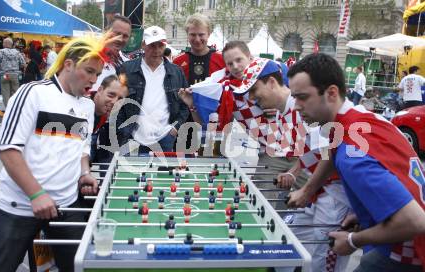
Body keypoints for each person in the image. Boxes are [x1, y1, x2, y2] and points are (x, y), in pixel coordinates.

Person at [287, 53, 425, 271]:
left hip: (409, 251)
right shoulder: (354, 117)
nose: (295, 106)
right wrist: (308, 190)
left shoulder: (353, 155)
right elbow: (333, 152)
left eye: (302, 97)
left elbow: (415, 222)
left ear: (331, 93)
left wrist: (352, 241)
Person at [0, 35, 105, 271]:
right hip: (19, 205)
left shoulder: (88, 106)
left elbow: (81, 148)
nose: (93, 80)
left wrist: (84, 173)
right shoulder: (32, 92)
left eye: (97, 75)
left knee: (78, 267)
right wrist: (36, 194)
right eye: (89, 71)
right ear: (68, 64)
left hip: (66, 206)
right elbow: (8, 149)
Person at [234, 57, 351, 272]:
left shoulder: (307, 108)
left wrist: (305, 188)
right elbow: (315, 148)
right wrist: (297, 173)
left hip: (334, 193)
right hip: (320, 191)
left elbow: (328, 151)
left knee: (322, 259)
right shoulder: (286, 109)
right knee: (285, 237)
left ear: (271, 82)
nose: (251, 98)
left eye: (254, 90)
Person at [178, 41, 307, 200]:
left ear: (250, 57)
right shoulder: (227, 91)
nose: (236, 66)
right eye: (230, 63)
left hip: (304, 152)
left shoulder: (274, 73)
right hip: (270, 155)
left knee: (319, 200)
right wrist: (193, 104)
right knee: (262, 205)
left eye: (239, 60)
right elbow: (211, 126)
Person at [117, 25, 189, 154]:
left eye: (160, 45)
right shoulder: (126, 69)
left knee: (161, 173)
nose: (156, 50)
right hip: (132, 137)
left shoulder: (176, 72)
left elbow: (185, 104)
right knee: (130, 173)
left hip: (165, 137)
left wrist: (175, 128)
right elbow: (117, 101)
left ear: (165, 45)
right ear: (143, 45)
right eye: (152, 45)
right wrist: (124, 129)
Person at [173, 13, 225, 86]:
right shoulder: (177, 62)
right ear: (187, 34)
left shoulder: (222, 59)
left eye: (201, 35)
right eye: (193, 35)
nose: (197, 39)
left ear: (209, 34)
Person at [90, 74, 128, 168]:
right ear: (100, 90)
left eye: (120, 99)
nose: (115, 102)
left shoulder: (104, 112)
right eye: (111, 95)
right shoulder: (82, 106)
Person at [0, 37, 26, 107]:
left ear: (4, 44)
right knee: (15, 92)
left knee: (5, 92)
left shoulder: (0, 52)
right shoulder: (17, 53)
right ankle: (14, 108)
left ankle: (8, 109)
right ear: (11, 44)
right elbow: (23, 64)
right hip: (15, 75)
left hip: (5, 75)